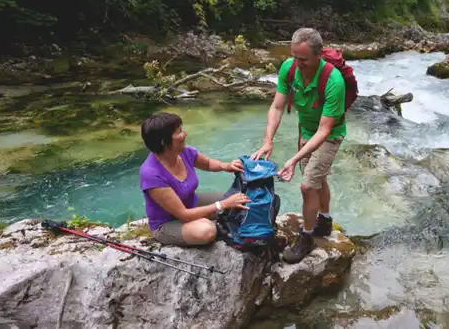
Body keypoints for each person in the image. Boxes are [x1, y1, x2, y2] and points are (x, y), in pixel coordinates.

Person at [251, 27, 347, 263]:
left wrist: (292, 159)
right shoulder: (289, 68)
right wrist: (267, 141)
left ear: (318, 55)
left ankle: (307, 236)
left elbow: (325, 130)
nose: (298, 63)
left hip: (330, 134)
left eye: (303, 59)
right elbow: (276, 106)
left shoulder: (334, 81)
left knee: (307, 186)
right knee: (317, 178)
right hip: (305, 131)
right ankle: (324, 218)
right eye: (294, 56)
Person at [139, 112, 251, 247]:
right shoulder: (151, 174)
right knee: (206, 230)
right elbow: (183, 214)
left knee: (241, 198)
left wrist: (227, 166)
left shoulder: (184, 151)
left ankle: (216, 221)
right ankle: (215, 225)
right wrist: (223, 205)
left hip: (191, 203)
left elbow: (208, 164)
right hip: (168, 223)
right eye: (179, 132)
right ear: (164, 142)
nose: (184, 134)